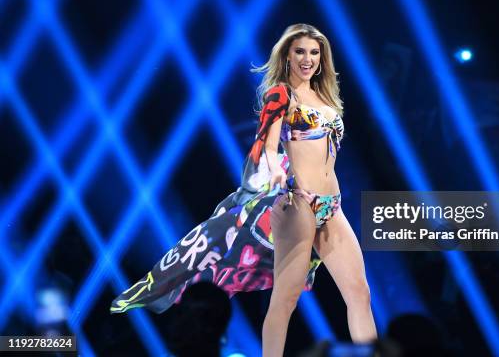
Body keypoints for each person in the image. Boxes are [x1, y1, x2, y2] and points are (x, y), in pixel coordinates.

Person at [110, 23, 377, 356]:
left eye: (314, 52)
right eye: (300, 52)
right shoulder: (281, 94)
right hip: (299, 205)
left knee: (359, 293)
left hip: (331, 206)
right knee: (286, 299)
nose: (307, 59)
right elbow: (266, 142)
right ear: (287, 56)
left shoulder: (326, 97)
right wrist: (274, 173)